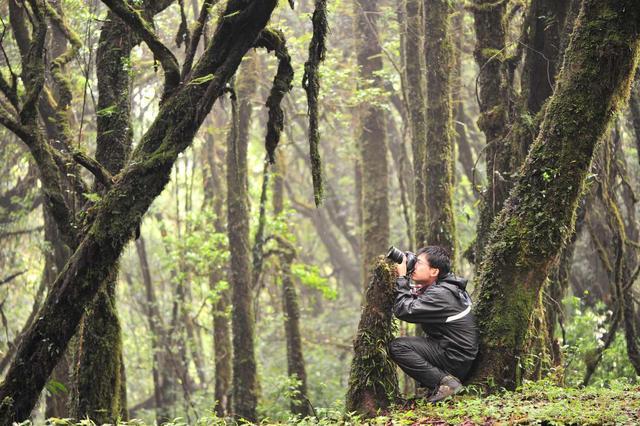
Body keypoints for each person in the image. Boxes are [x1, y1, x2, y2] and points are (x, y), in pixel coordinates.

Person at [388, 246, 479, 403]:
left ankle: (447, 383)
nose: (414, 265)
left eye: (419, 262)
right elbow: (412, 298)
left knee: (398, 347)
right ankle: (440, 383)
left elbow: (403, 309)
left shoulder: (440, 294)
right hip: (457, 354)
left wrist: (402, 278)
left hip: (455, 359)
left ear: (434, 271)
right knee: (414, 342)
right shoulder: (443, 287)